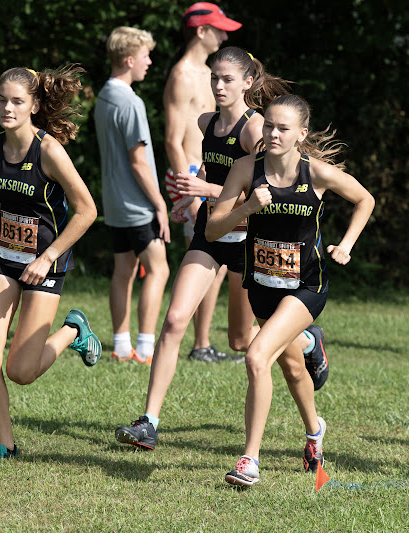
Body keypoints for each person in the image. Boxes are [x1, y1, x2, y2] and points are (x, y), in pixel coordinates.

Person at [115, 49, 330, 452]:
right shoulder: (205, 122)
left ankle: (304, 341)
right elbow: (212, 174)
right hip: (211, 235)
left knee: (238, 340)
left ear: (248, 83)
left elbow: (266, 191)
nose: (218, 86)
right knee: (176, 318)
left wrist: (206, 191)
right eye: (214, 78)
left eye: (227, 79)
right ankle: (149, 421)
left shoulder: (255, 131)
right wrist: (189, 197)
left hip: (249, 243)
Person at [206, 94, 375, 486]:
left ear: (301, 133)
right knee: (291, 366)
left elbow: (365, 199)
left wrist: (346, 244)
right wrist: (246, 209)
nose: (273, 134)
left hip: (306, 286)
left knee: (257, 355)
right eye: (268, 126)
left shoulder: (315, 173)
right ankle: (315, 429)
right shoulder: (247, 169)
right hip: (262, 285)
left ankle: (249, 459)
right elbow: (214, 230)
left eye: (283, 128)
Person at [0, 65, 101, 461]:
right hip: (4, 257)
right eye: (2, 100)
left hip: (46, 261)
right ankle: (7, 443)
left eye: (17, 101)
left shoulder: (49, 151)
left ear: (34, 105)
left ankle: (73, 330)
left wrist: (48, 257)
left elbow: (87, 211)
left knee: (21, 371)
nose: (7, 108)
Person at [162, 2, 241, 363]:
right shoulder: (183, 75)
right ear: (200, 31)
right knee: (208, 259)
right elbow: (173, 140)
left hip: (214, 178)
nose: (225, 35)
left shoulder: (212, 73)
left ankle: (203, 343)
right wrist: (188, 191)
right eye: (219, 29)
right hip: (195, 179)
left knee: (220, 263)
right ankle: (200, 344)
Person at [95, 26, 171, 365]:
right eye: (145, 56)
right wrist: (159, 205)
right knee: (159, 270)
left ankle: (121, 346)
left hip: (113, 203)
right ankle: (144, 348)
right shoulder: (130, 101)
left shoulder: (103, 96)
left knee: (123, 270)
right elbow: (138, 161)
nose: (150, 62)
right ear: (129, 60)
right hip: (137, 205)